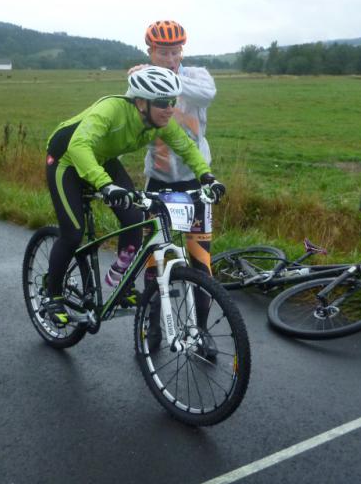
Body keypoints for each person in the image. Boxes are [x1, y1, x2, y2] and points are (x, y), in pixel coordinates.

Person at [42, 65, 225, 326]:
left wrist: (207, 177)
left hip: (102, 158)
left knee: (135, 218)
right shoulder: (111, 109)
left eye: (173, 101)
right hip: (66, 159)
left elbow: (186, 148)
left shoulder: (159, 123)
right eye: (163, 102)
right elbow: (79, 146)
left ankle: (122, 286)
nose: (170, 107)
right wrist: (105, 185)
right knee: (72, 232)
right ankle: (53, 295)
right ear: (140, 102)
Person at [130, 21, 218, 345]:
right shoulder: (142, 78)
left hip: (196, 180)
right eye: (163, 52)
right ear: (151, 52)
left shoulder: (196, 76)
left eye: (175, 51)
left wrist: (167, 78)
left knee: (200, 259)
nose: (170, 58)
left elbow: (208, 94)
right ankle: (153, 325)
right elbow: (130, 103)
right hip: (159, 181)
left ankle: (203, 331)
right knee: (155, 258)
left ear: (182, 51)